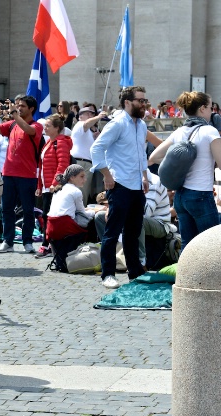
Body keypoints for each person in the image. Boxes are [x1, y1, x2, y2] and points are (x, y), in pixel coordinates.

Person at [90, 86, 149, 289]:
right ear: (127, 102)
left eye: (144, 100)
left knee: (133, 232)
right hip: (120, 184)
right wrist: (106, 174)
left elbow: (142, 153)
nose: (144, 104)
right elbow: (96, 148)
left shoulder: (141, 125)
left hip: (136, 185)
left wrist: (145, 177)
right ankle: (108, 273)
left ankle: (134, 272)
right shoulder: (117, 124)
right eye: (140, 100)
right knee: (112, 231)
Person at [149, 91, 221, 249]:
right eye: (210, 108)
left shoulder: (180, 131)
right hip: (201, 194)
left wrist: (179, 163)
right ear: (202, 109)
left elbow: (154, 156)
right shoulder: (210, 131)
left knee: (188, 245)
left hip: (181, 196)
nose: (212, 112)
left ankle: (184, 275)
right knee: (213, 246)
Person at [0, 95, 44, 253]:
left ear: (31, 109)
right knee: (7, 209)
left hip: (27, 175)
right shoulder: (12, 125)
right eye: (18, 105)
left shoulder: (37, 126)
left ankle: (27, 241)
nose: (19, 108)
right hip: (9, 174)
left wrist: (15, 114)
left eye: (22, 106)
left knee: (27, 210)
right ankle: (8, 241)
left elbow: (29, 130)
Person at [35, 114, 73, 258]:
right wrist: (39, 185)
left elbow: (63, 165)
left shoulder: (60, 143)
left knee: (50, 216)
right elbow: (42, 166)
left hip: (54, 187)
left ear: (57, 128)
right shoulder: (48, 143)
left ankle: (47, 244)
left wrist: (55, 184)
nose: (45, 127)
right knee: (46, 216)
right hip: (46, 186)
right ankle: (49, 243)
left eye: (48, 126)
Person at [45, 165, 92, 270]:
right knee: (90, 224)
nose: (85, 179)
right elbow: (83, 212)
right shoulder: (76, 191)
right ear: (72, 177)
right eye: (81, 176)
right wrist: (96, 211)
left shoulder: (59, 189)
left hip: (50, 227)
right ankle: (86, 257)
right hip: (64, 226)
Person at [70, 106, 107, 206]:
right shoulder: (80, 124)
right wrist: (98, 117)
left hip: (87, 164)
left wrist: (97, 139)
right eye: (87, 113)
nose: (90, 115)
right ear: (80, 117)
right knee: (81, 192)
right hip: (80, 162)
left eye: (92, 114)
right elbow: (86, 124)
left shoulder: (90, 132)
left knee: (84, 192)